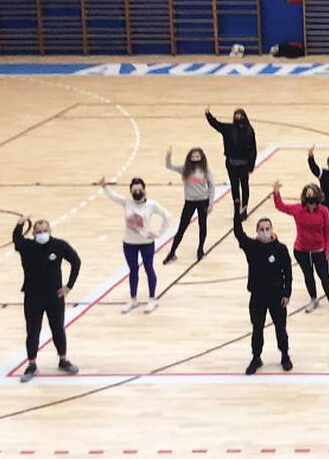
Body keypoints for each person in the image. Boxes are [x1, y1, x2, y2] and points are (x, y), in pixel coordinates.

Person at [13, 217, 81, 383]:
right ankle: (32, 364)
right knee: (33, 330)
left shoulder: (59, 245)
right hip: (32, 296)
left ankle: (63, 360)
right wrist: (20, 224)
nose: (42, 234)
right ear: (34, 233)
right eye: (38, 232)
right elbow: (16, 238)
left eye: (45, 231)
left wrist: (69, 286)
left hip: (54, 296)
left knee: (58, 328)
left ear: (50, 231)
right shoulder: (27, 247)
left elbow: (76, 261)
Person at [231, 206, 291, 375]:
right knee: (257, 328)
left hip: (277, 296)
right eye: (261, 229)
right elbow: (238, 233)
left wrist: (287, 293)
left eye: (267, 229)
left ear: (271, 230)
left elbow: (288, 272)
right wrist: (237, 213)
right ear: (257, 231)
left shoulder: (281, 249)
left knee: (281, 328)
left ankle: (285, 354)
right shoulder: (252, 247)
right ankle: (256, 357)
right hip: (257, 296)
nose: (264, 232)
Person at [98, 176, 169, 314]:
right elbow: (113, 196)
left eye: (139, 190)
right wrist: (104, 186)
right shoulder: (127, 202)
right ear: (131, 191)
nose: (137, 192)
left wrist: (159, 233)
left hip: (146, 243)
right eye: (134, 190)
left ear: (144, 190)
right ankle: (133, 299)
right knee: (133, 270)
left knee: (149, 269)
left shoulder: (151, 205)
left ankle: (152, 299)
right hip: (129, 243)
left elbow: (167, 216)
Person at [271, 180, 329, 315]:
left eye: (312, 193)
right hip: (301, 250)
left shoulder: (324, 211)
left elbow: (328, 231)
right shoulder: (298, 209)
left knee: (324, 276)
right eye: (308, 193)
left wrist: (328, 250)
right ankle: (313, 299)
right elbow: (281, 206)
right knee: (308, 275)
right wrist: (276, 192)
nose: (310, 196)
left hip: (319, 250)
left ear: (317, 195)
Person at [163, 145, 212, 263]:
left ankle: (200, 250)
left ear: (202, 157)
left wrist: (210, 203)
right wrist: (168, 156)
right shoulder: (185, 169)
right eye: (193, 156)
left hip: (203, 201)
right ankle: (172, 252)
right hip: (189, 201)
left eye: (198, 156)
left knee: (202, 225)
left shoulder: (206, 170)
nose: (196, 158)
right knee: (182, 227)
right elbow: (169, 166)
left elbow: (212, 186)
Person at [204, 106, 256, 217]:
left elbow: (253, 150)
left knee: (242, 185)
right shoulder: (230, 129)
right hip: (233, 163)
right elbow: (216, 124)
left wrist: (251, 166)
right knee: (236, 185)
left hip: (242, 164)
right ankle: (238, 206)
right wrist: (208, 115)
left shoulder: (249, 131)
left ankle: (244, 207)